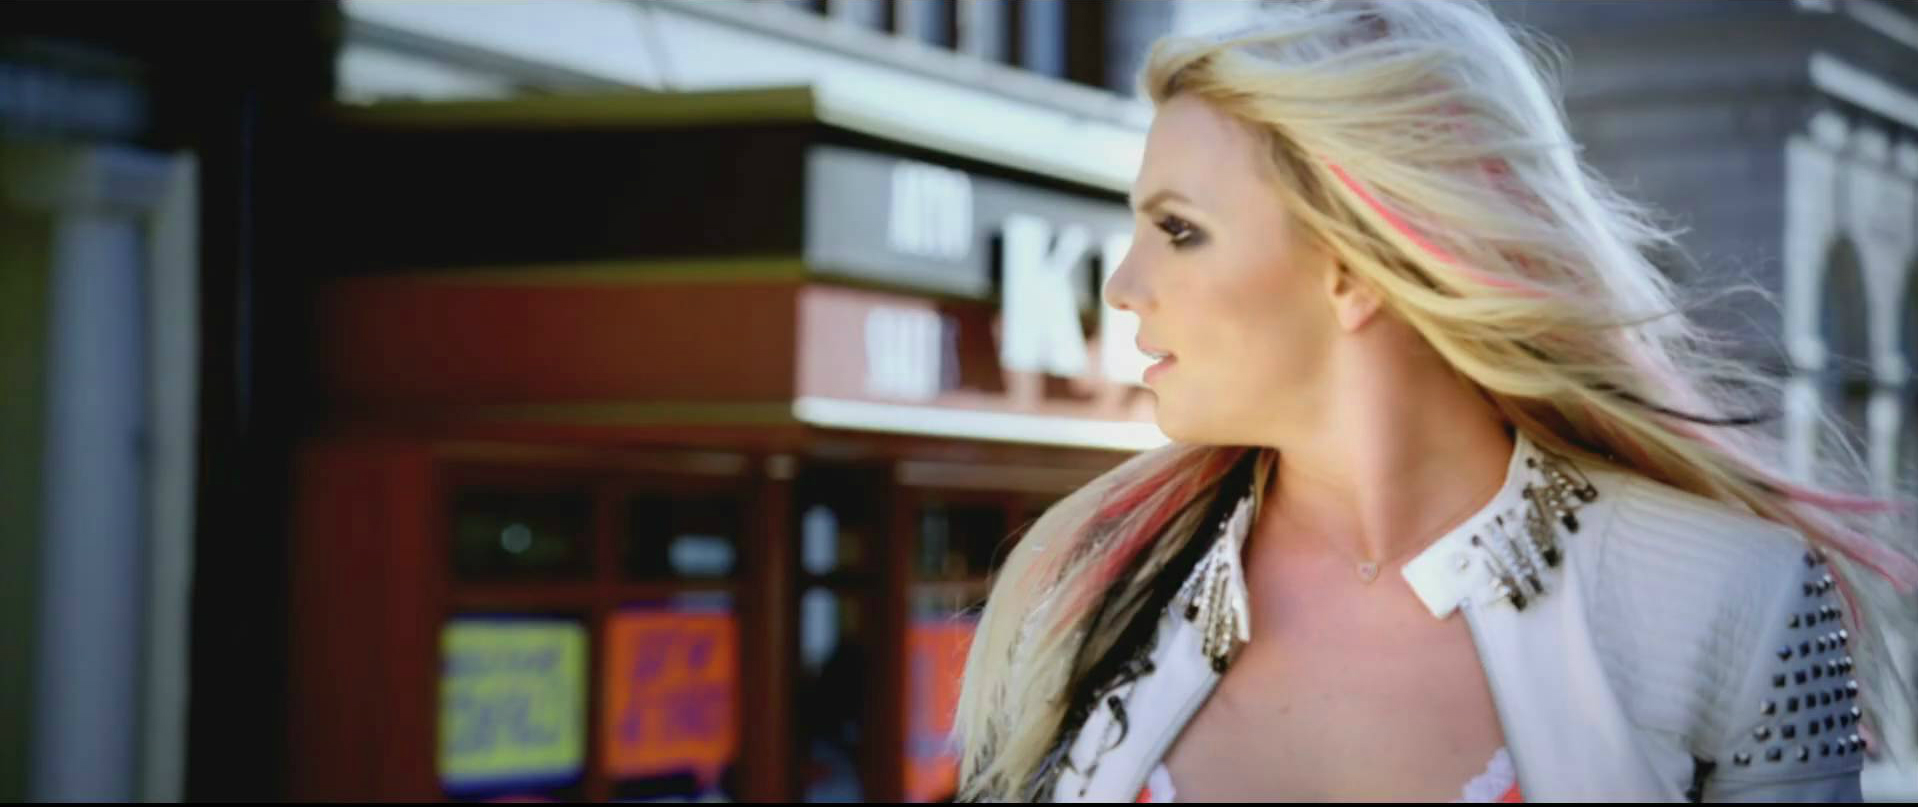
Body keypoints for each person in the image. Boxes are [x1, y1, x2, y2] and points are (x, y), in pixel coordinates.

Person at [951, 1, 1918, 801]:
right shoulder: (1079, 592)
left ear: (1355, 265)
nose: (1124, 285)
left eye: (1177, 229)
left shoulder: (1739, 601)